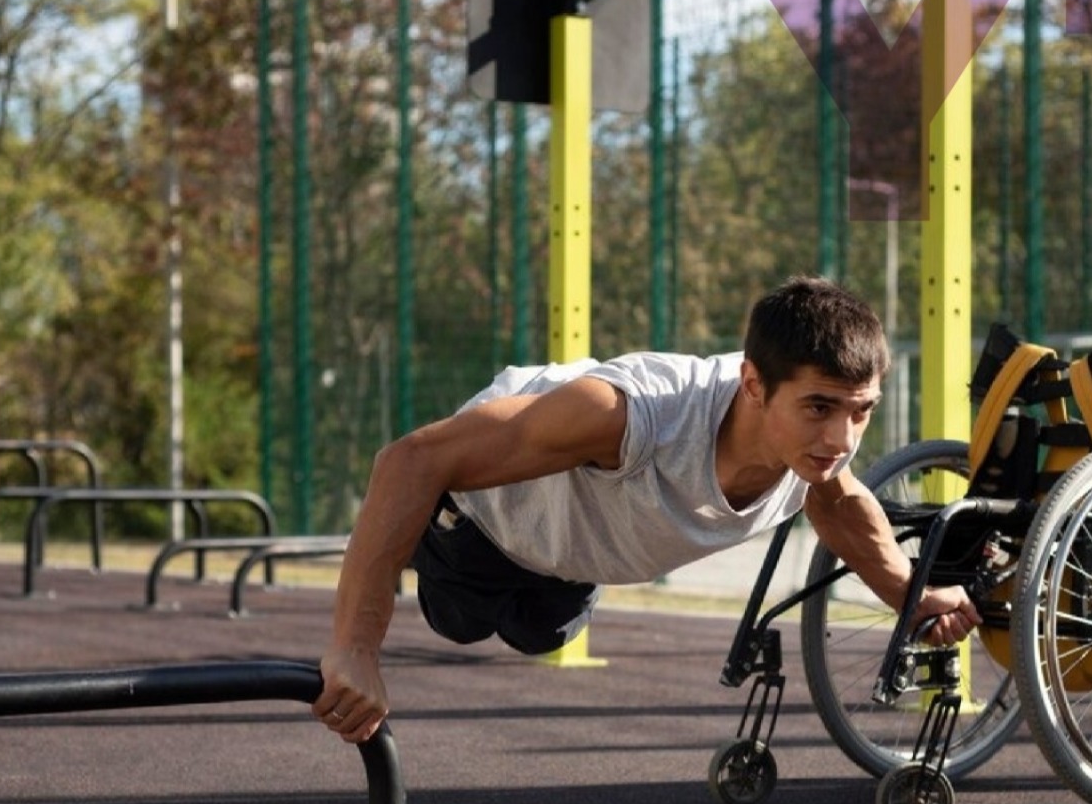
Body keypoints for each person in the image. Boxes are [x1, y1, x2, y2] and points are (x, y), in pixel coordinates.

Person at [315, 275, 981, 743]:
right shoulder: (631, 416)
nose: (841, 439)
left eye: (861, 412)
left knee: (543, 633)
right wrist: (356, 647)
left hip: (575, 558)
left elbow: (841, 506)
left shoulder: (811, 458)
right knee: (460, 622)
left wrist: (909, 595)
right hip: (484, 526)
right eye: (819, 408)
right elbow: (407, 461)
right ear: (754, 385)